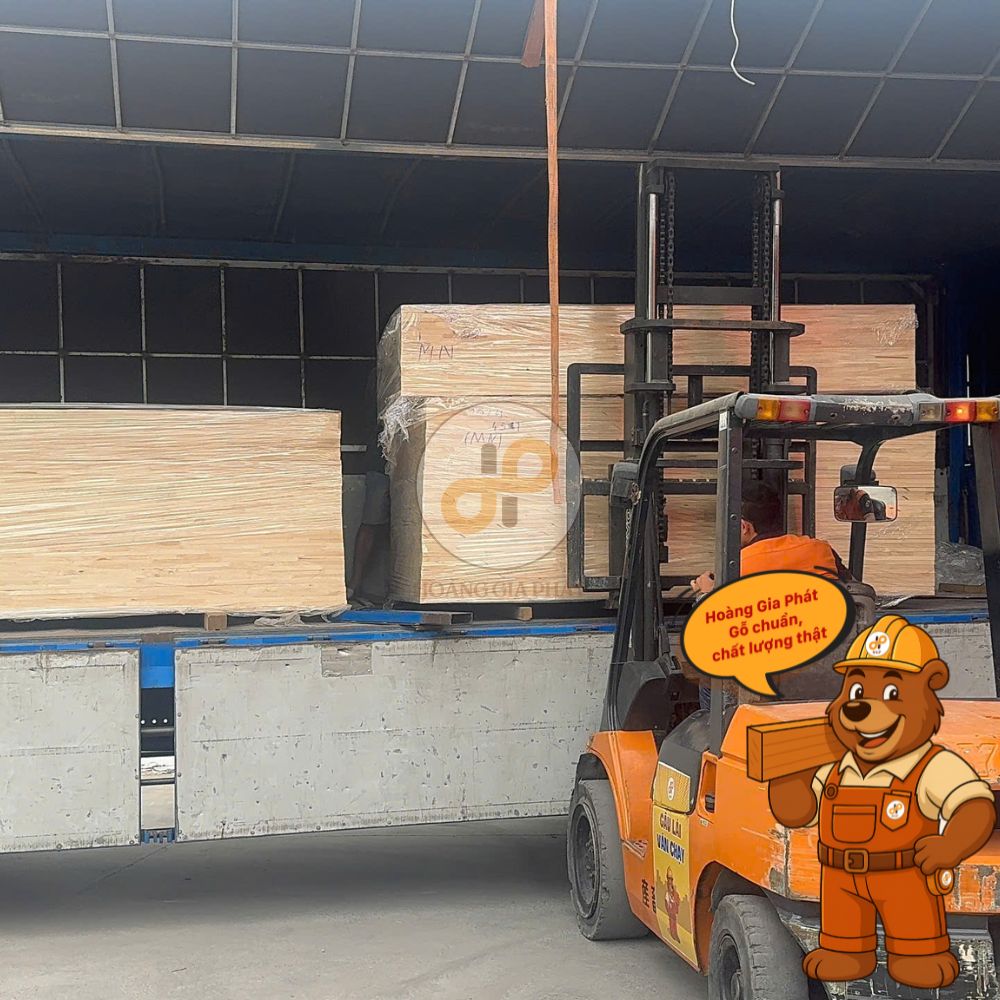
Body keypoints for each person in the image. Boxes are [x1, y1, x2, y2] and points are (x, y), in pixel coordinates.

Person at [689, 481, 851, 710]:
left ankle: (717, 722)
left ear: (744, 527)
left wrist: (706, 593)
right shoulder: (821, 550)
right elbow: (856, 594)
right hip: (828, 676)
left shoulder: (737, 567)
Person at [347, 370, 390, 606]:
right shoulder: (383, 374)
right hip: (380, 458)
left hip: (414, 459)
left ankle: (398, 588)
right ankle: (355, 584)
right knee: (371, 521)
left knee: (408, 525)